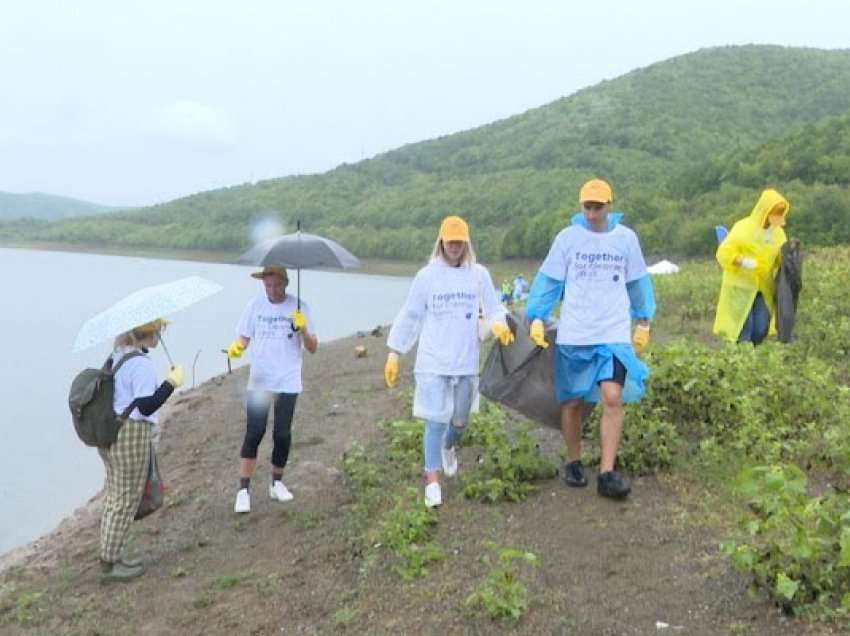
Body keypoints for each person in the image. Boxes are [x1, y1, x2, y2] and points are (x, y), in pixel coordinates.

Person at [526, 179, 655, 500]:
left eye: (598, 207)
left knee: (612, 397)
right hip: (576, 332)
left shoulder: (626, 239)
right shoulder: (568, 239)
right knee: (572, 401)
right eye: (588, 206)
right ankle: (573, 461)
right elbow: (549, 281)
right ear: (581, 206)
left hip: (612, 332)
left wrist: (644, 319)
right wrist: (537, 316)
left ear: (610, 205)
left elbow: (638, 282)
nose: (593, 213)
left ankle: (607, 473)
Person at [384, 215, 514, 508]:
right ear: (441, 242)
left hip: (465, 359)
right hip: (433, 360)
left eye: (459, 242)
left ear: (466, 243)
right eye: (450, 241)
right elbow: (411, 314)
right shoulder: (426, 276)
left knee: (460, 419)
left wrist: (500, 324)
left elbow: (493, 308)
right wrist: (395, 351)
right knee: (434, 420)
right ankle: (432, 481)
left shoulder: (478, 274)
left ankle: (449, 446)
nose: (454, 246)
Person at [227, 266, 318, 513]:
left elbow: (312, 347)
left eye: (277, 285)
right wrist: (236, 348)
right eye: (268, 285)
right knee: (254, 431)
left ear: (286, 284)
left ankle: (276, 482)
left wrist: (304, 330)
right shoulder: (254, 306)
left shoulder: (299, 307)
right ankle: (243, 490)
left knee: (282, 433)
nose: (272, 290)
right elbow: (243, 338)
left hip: (288, 378)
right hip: (261, 378)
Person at [99, 319, 184, 582]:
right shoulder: (141, 364)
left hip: (110, 434)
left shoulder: (117, 356)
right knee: (127, 498)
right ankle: (111, 564)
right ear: (149, 332)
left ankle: (110, 554)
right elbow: (147, 406)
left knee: (115, 495)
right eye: (159, 329)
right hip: (131, 434)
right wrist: (171, 383)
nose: (161, 334)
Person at [713, 189, 790, 345]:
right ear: (765, 210)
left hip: (763, 288)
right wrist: (744, 261)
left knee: (761, 328)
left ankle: (750, 357)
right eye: (775, 212)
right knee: (743, 328)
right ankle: (741, 359)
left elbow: (780, 256)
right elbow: (724, 253)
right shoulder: (743, 228)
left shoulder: (778, 234)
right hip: (740, 286)